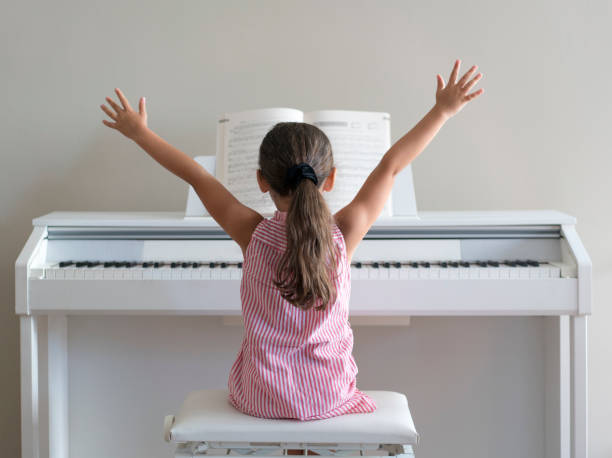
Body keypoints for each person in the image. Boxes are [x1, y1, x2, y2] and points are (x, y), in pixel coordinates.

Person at [100, 59, 483, 448]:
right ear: (330, 179)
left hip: (258, 399)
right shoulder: (342, 234)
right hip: (329, 396)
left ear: (261, 181)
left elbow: (196, 177)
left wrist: (140, 134)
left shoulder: (251, 233)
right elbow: (390, 168)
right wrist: (442, 111)